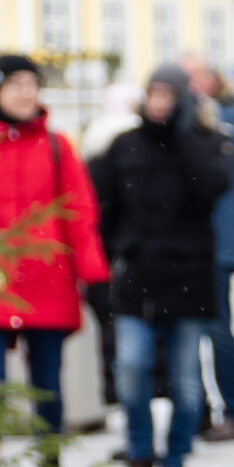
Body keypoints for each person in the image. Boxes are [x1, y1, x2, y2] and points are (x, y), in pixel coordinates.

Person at [89, 63, 230, 467]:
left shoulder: (209, 145)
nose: (158, 104)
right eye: (153, 94)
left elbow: (211, 189)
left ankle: (174, 463)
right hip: (138, 277)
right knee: (131, 369)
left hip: (188, 278)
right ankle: (138, 453)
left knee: (186, 384)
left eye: (167, 95)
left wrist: (184, 132)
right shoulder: (125, 146)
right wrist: (117, 253)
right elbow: (105, 208)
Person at [0, 54, 108, 467]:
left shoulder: (57, 147)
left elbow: (80, 213)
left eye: (31, 83)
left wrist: (95, 276)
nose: (24, 92)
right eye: (14, 83)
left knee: (47, 390)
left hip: (47, 285)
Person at [184, 58, 234, 441]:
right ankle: (198, 412)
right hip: (191, 242)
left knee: (218, 328)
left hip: (218, 242)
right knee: (189, 330)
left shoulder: (229, 120)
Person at [79, 81, 143, 410]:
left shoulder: (96, 143)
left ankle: (111, 387)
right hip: (133, 252)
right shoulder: (138, 142)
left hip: (105, 251)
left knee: (109, 325)